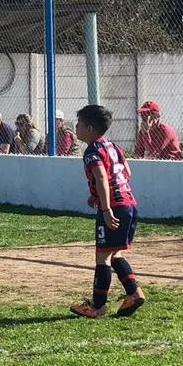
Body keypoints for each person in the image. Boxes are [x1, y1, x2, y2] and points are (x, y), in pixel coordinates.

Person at [70, 104, 145, 319]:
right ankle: (133, 292)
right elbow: (126, 172)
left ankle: (97, 307)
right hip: (129, 203)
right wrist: (97, 196)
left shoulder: (92, 151)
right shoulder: (114, 147)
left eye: (79, 124)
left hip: (115, 207)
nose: (76, 127)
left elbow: (102, 177)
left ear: (90, 129)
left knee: (102, 257)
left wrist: (105, 207)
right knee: (115, 254)